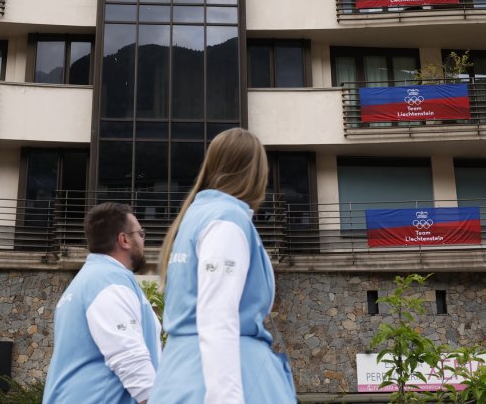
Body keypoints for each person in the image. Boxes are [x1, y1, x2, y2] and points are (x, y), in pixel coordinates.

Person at [150, 128, 297, 404]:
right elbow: (217, 316)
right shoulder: (227, 220)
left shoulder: (193, 218)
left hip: (180, 375)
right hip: (226, 378)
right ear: (257, 174)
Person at [43, 202, 161, 404]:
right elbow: (130, 358)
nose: (143, 240)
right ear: (124, 240)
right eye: (140, 234)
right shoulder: (109, 282)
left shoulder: (85, 282)